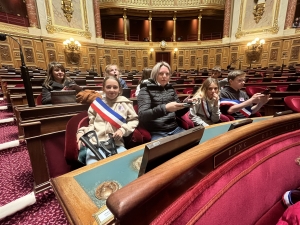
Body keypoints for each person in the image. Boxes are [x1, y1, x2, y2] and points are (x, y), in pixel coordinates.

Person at [76, 75, 139, 165]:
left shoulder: (125, 103)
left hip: (116, 144)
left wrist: (123, 130)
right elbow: (92, 125)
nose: (112, 90)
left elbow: (134, 120)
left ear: (120, 90)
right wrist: (81, 132)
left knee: (128, 165)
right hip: (96, 144)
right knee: (94, 169)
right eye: (108, 87)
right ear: (103, 89)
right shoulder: (97, 104)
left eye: (115, 87)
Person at [137, 61, 190, 141]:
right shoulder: (145, 90)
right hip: (157, 132)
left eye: (167, 74)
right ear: (155, 74)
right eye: (161, 73)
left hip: (175, 128)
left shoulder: (170, 89)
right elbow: (142, 116)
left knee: (192, 146)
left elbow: (178, 113)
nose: (164, 76)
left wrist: (186, 105)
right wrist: (165, 108)